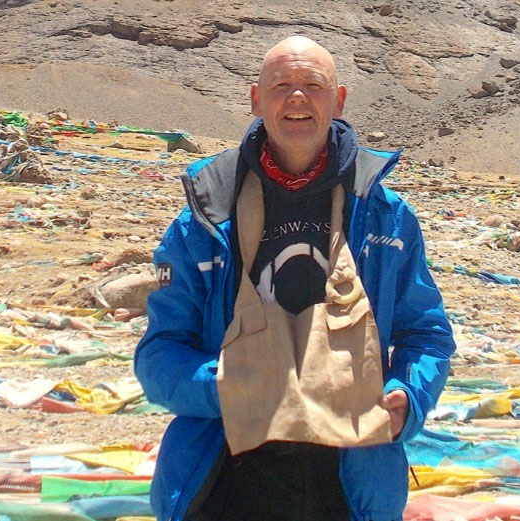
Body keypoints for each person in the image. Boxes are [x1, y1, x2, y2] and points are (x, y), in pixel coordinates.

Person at [135, 36, 454, 521]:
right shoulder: (206, 217)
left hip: (350, 480)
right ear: (256, 98)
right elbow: (159, 354)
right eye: (281, 85)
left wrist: (408, 400)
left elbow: (426, 334)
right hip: (222, 477)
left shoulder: (385, 217)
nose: (297, 97)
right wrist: (227, 387)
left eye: (313, 84)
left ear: (339, 99)